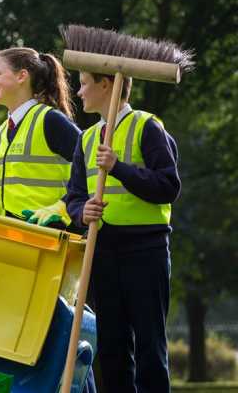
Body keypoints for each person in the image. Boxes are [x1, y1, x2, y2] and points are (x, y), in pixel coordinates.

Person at [65, 71, 180, 393]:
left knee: (149, 344)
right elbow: (74, 195)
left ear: (107, 85)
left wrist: (118, 167)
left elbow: (169, 187)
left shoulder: (148, 127)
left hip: (146, 250)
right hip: (102, 250)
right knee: (112, 347)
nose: (79, 90)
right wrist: (80, 212)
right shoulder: (86, 139)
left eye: (85, 83)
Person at [0, 47, 79, 229]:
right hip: (8, 235)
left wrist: (62, 207)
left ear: (21, 76)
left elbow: (92, 168)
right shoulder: (1, 132)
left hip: (50, 234)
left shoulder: (51, 120)